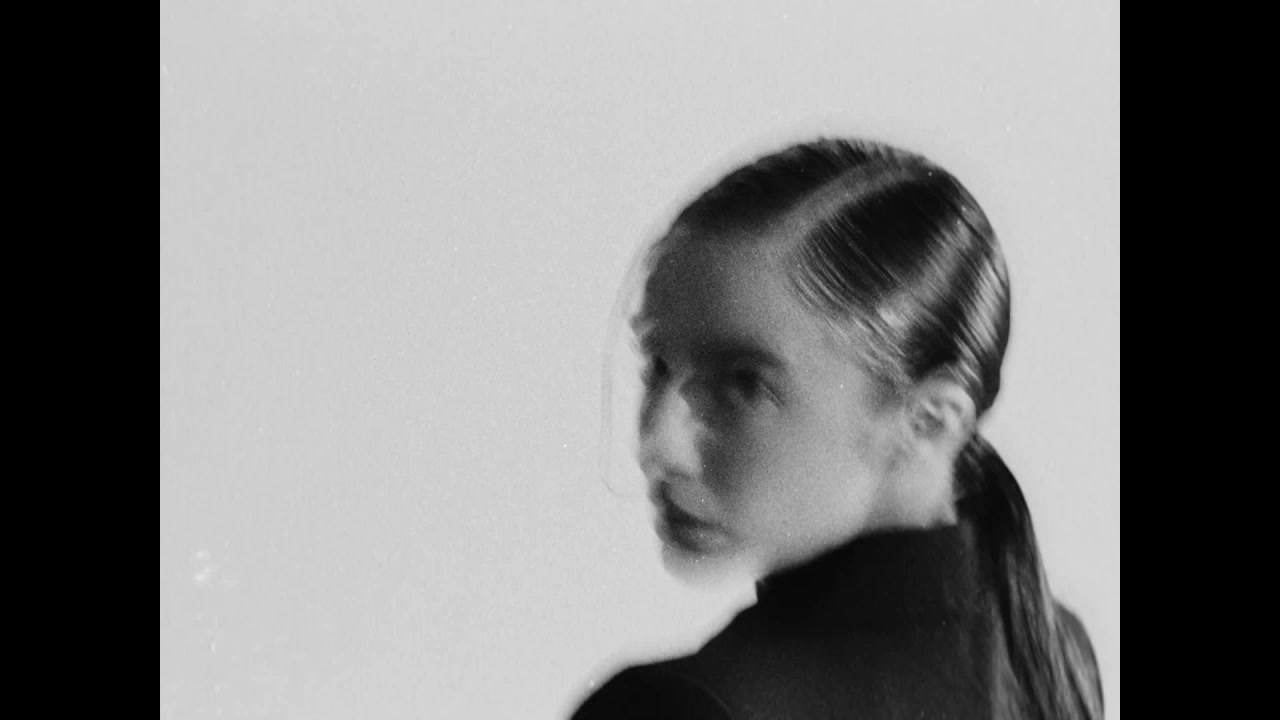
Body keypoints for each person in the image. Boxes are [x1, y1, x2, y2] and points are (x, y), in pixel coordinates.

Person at [570, 138, 1105, 720]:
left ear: (928, 421)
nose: (657, 443)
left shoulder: (674, 708)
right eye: (657, 364)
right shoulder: (1057, 655)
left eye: (744, 384)